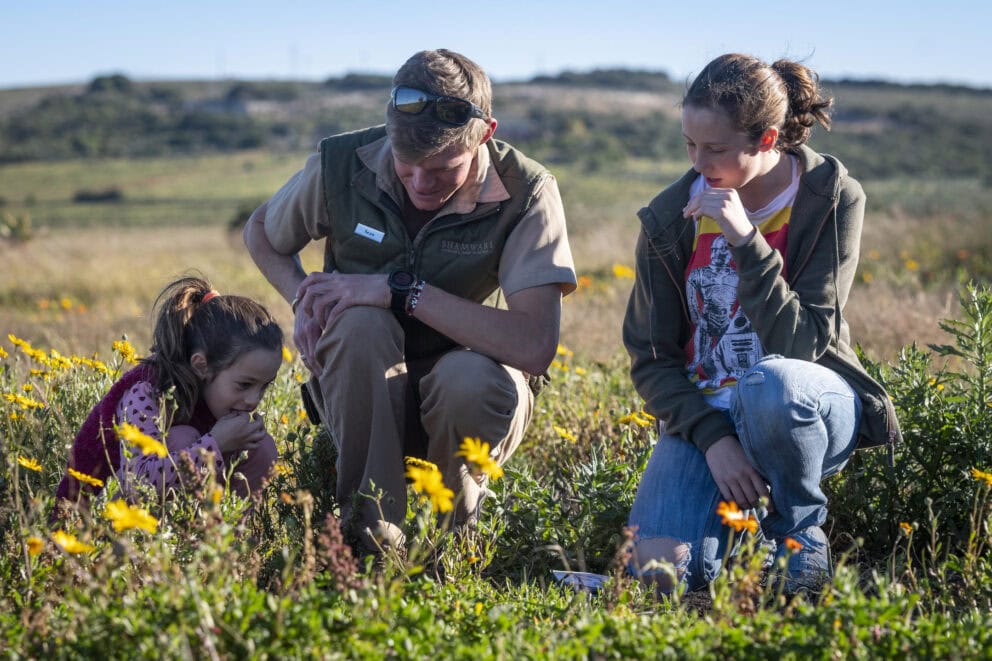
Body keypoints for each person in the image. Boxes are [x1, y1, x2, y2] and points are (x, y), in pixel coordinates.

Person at [243, 49, 576, 553]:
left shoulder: (526, 191)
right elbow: (262, 232)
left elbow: (533, 345)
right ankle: (370, 540)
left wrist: (399, 293)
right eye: (407, 164)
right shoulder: (342, 163)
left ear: (485, 135)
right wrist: (303, 300)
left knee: (465, 378)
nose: (422, 183)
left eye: (445, 168)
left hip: (470, 392)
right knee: (358, 326)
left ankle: (454, 546)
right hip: (364, 389)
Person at [622, 53, 901, 594]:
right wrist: (712, 438)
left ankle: (800, 540)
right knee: (662, 576)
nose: (698, 164)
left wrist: (744, 240)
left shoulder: (830, 196)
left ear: (767, 140)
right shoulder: (668, 217)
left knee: (769, 384)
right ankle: (745, 539)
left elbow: (802, 342)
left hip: (805, 404)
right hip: (710, 417)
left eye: (716, 149)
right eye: (689, 145)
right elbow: (650, 356)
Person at [55, 276, 283, 507]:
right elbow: (139, 486)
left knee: (260, 446)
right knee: (181, 439)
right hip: (96, 522)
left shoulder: (213, 392)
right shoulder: (148, 391)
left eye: (264, 386)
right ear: (201, 366)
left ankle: (231, 539)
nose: (254, 400)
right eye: (244, 385)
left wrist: (227, 443)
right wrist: (216, 444)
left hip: (174, 514)